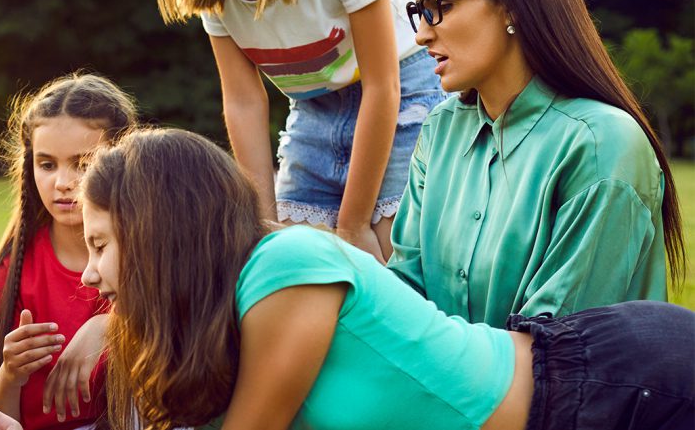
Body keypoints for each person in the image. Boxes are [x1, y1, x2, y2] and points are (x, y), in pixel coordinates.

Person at [81, 127, 693, 430]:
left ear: (160, 234)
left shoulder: (286, 267)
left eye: (101, 245)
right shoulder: (232, 314)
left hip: (613, 390)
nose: (89, 273)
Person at [389, 0, 684, 324]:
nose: (422, 35)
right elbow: (402, 293)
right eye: (419, 13)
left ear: (512, 7)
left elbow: (552, 350)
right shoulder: (439, 129)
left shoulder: (602, 145)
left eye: (441, 6)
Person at [158, 0, 446, 261]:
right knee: (293, 261)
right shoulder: (217, 3)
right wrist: (262, 226)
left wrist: (353, 226)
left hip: (401, 92)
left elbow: (382, 86)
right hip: (313, 109)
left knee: (395, 260)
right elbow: (244, 102)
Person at [0, 72, 136, 428]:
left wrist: (109, 325)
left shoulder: (148, 258)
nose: (63, 183)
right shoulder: (13, 270)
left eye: (84, 163)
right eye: (47, 164)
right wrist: (11, 374)